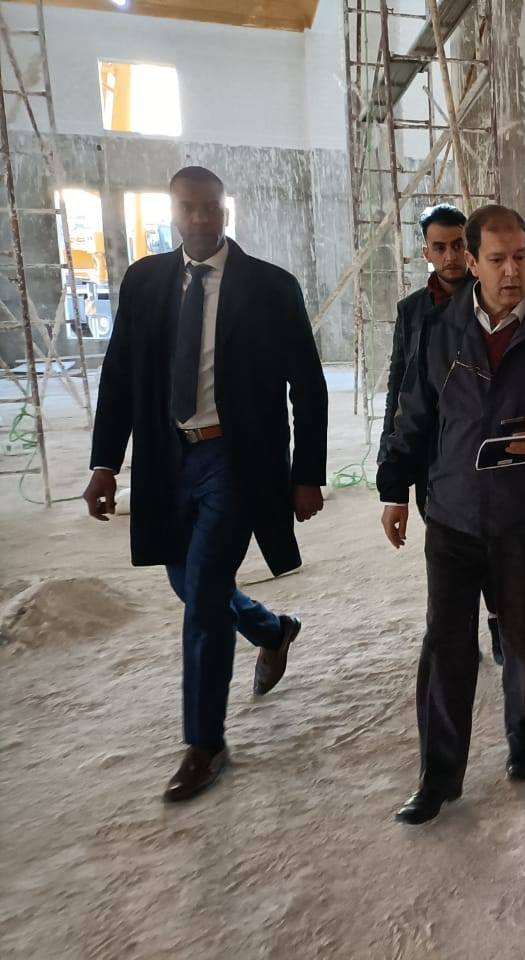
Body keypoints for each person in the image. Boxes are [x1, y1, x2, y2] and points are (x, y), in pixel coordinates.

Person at [83, 166, 328, 803]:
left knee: (204, 594)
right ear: (172, 211)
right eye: (188, 208)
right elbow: (119, 375)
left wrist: (307, 475)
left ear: (225, 210)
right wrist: (105, 462)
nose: (199, 219)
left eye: (210, 208)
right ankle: (272, 630)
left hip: (236, 460)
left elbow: (308, 385)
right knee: (186, 581)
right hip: (167, 458)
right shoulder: (144, 281)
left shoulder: (270, 287)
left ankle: (205, 743)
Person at [378, 204, 525, 825]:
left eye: (520, 256)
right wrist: (394, 488)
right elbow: (414, 411)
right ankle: (439, 776)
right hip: (453, 514)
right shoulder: (440, 329)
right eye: (497, 259)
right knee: (446, 644)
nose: (512, 270)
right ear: (472, 262)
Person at [378, 203, 504, 665]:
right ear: (426, 252)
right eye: (440, 247)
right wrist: (392, 481)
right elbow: (401, 389)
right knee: (449, 548)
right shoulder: (413, 311)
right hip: (432, 456)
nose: (450, 256)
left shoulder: (494, 298)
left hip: (483, 448)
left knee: (491, 546)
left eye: (457, 245)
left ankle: (499, 622)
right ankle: (458, 637)